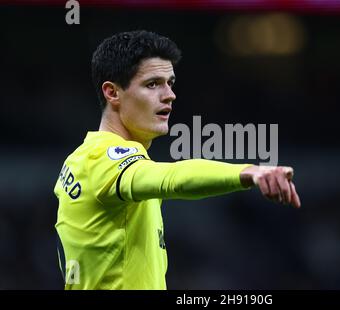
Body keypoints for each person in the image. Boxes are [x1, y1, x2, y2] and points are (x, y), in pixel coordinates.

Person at [54, 30, 301, 290]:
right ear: (112, 93)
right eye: (152, 84)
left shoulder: (84, 159)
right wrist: (249, 172)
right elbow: (172, 178)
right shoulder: (104, 158)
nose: (169, 95)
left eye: (170, 83)